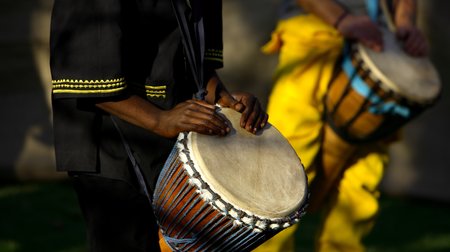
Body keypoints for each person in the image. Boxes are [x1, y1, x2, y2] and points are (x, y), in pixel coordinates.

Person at [49, 0, 268, 251]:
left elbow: (195, 60)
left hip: (171, 138)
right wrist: (160, 119)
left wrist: (222, 99)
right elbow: (85, 76)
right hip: (109, 143)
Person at [254, 0, 428, 251]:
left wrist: (405, 23)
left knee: (364, 170)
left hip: (378, 43)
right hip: (312, 32)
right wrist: (343, 20)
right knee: (286, 157)